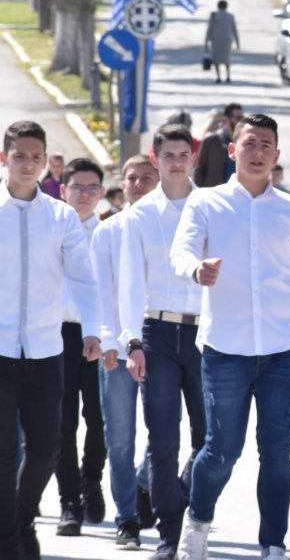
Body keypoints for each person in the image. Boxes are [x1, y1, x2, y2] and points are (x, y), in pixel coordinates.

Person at [172, 114, 290, 560]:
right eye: (250, 143)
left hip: (284, 352)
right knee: (222, 450)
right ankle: (198, 521)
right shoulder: (206, 205)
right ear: (233, 150)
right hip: (226, 351)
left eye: (267, 145)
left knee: (277, 452)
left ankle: (273, 545)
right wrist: (196, 269)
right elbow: (181, 250)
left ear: (277, 155)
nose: (258, 152)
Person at [0, 121, 101, 560]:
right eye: (19, 155)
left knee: (44, 450)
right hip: (0, 351)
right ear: (4, 158)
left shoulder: (60, 217)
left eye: (35, 157)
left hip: (45, 351)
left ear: (46, 162)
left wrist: (95, 329)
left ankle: (21, 518)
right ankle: (9, 543)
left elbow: (83, 277)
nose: (28, 164)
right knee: (4, 454)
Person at [120, 125, 206, 560]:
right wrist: (132, 341)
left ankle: (185, 500)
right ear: (155, 160)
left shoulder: (210, 205)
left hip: (206, 335)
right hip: (156, 333)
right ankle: (170, 536)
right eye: (167, 155)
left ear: (192, 157)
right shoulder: (140, 216)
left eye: (182, 154)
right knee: (162, 440)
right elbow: (131, 283)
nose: (175, 162)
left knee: (214, 437)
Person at [91, 154, 159, 551]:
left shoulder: (171, 226)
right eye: (131, 178)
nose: (137, 184)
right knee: (119, 438)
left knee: (164, 434)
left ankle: (143, 483)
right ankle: (127, 518)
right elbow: (101, 294)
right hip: (117, 349)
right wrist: (108, 343)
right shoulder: (108, 231)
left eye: (145, 178)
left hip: (163, 347)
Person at [54, 158, 109, 537]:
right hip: (56, 336)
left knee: (100, 418)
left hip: (100, 336)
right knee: (63, 422)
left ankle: (92, 479)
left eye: (92, 188)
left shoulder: (109, 234)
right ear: (63, 189)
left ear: (102, 193)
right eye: (77, 187)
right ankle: (68, 501)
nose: (84, 195)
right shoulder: (51, 230)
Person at [194, 103, 242, 188]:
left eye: (242, 118)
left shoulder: (243, 143)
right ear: (225, 120)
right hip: (214, 196)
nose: (240, 122)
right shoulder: (211, 140)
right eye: (238, 118)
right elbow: (199, 170)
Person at [205, 0, 239, 84]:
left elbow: (210, 29)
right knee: (226, 59)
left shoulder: (214, 16)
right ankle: (228, 75)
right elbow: (234, 29)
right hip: (227, 40)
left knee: (216, 59)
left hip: (216, 40)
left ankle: (218, 76)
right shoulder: (230, 16)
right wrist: (237, 42)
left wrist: (206, 41)